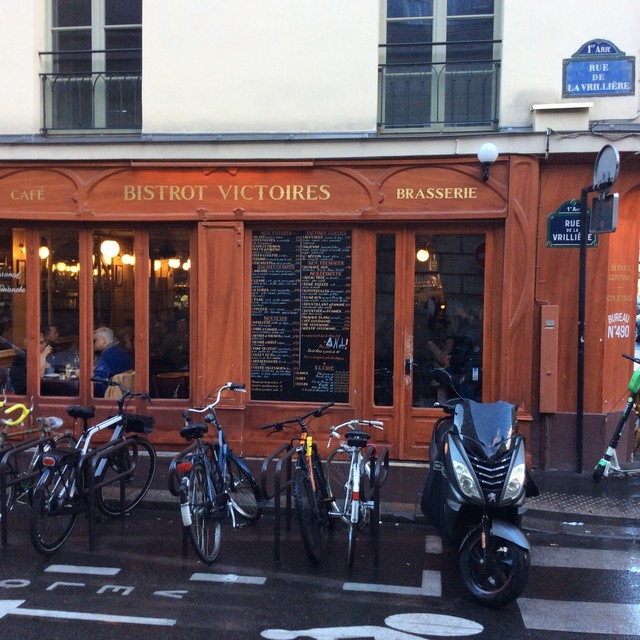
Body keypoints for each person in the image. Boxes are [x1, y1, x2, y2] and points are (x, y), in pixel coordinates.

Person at [93, 327, 133, 397]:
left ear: (103, 340)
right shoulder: (122, 352)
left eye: (95, 341)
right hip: (126, 394)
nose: (93, 344)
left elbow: (98, 382)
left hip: (109, 397)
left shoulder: (108, 356)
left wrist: (83, 376)